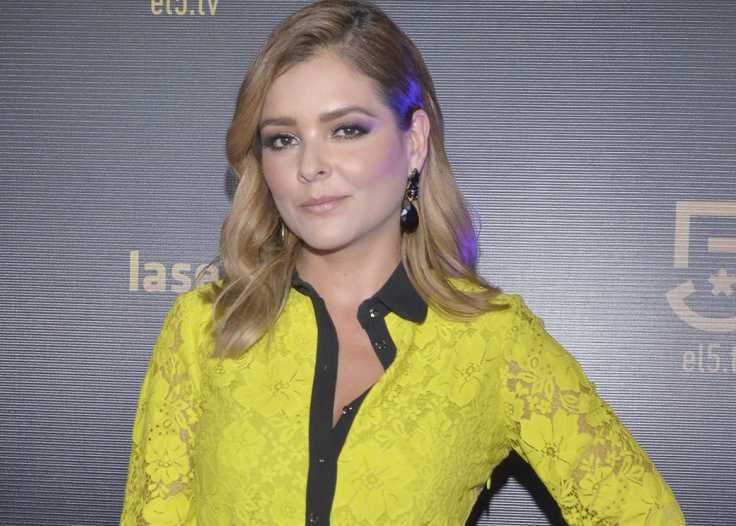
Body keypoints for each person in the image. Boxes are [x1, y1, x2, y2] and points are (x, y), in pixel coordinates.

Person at [119, 1, 685, 524]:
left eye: (345, 130)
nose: (310, 166)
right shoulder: (205, 327)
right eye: (283, 139)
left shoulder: (491, 341)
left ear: (414, 141)